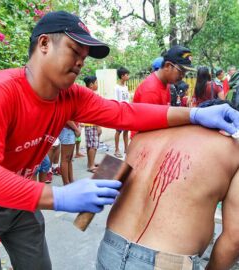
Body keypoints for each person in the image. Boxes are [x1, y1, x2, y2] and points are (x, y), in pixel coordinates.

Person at [0, 10, 238, 270]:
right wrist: (58, 195)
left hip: (19, 205)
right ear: (43, 44)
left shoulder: (70, 96)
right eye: (75, 51)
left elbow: (124, 113)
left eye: (84, 58)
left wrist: (194, 114)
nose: (80, 63)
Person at [97, 99, 239, 270]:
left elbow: (107, 176)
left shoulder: (143, 134)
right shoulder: (233, 149)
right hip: (168, 263)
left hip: (110, 246)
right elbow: (234, 237)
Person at [83, 75, 101, 173]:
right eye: (96, 83)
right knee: (93, 145)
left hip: (88, 124)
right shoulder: (92, 95)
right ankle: (91, 165)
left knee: (90, 145)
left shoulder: (86, 94)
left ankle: (91, 162)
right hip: (92, 124)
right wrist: (98, 125)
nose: (97, 84)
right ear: (91, 85)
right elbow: (94, 111)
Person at [114, 66, 130, 158]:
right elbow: (116, 101)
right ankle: (116, 149)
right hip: (120, 112)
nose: (128, 76)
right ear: (122, 76)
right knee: (118, 131)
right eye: (127, 75)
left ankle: (126, 148)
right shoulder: (116, 87)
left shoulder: (126, 87)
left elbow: (127, 99)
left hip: (127, 111)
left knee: (126, 130)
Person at [59, 121, 81, 185]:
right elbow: (67, 118)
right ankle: (66, 183)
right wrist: (76, 129)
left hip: (70, 130)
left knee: (69, 159)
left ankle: (70, 181)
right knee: (65, 159)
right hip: (68, 130)